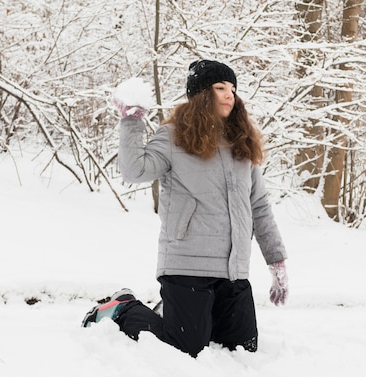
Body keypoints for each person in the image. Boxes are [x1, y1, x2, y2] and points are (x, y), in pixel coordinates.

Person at [82, 60, 289, 357]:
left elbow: (258, 206)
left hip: (233, 269)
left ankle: (182, 314)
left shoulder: (241, 142)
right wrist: (131, 121)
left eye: (233, 88)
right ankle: (124, 308)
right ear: (201, 94)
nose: (230, 95)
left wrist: (276, 261)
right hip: (186, 265)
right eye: (220, 88)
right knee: (185, 346)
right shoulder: (174, 135)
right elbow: (134, 170)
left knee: (244, 350)